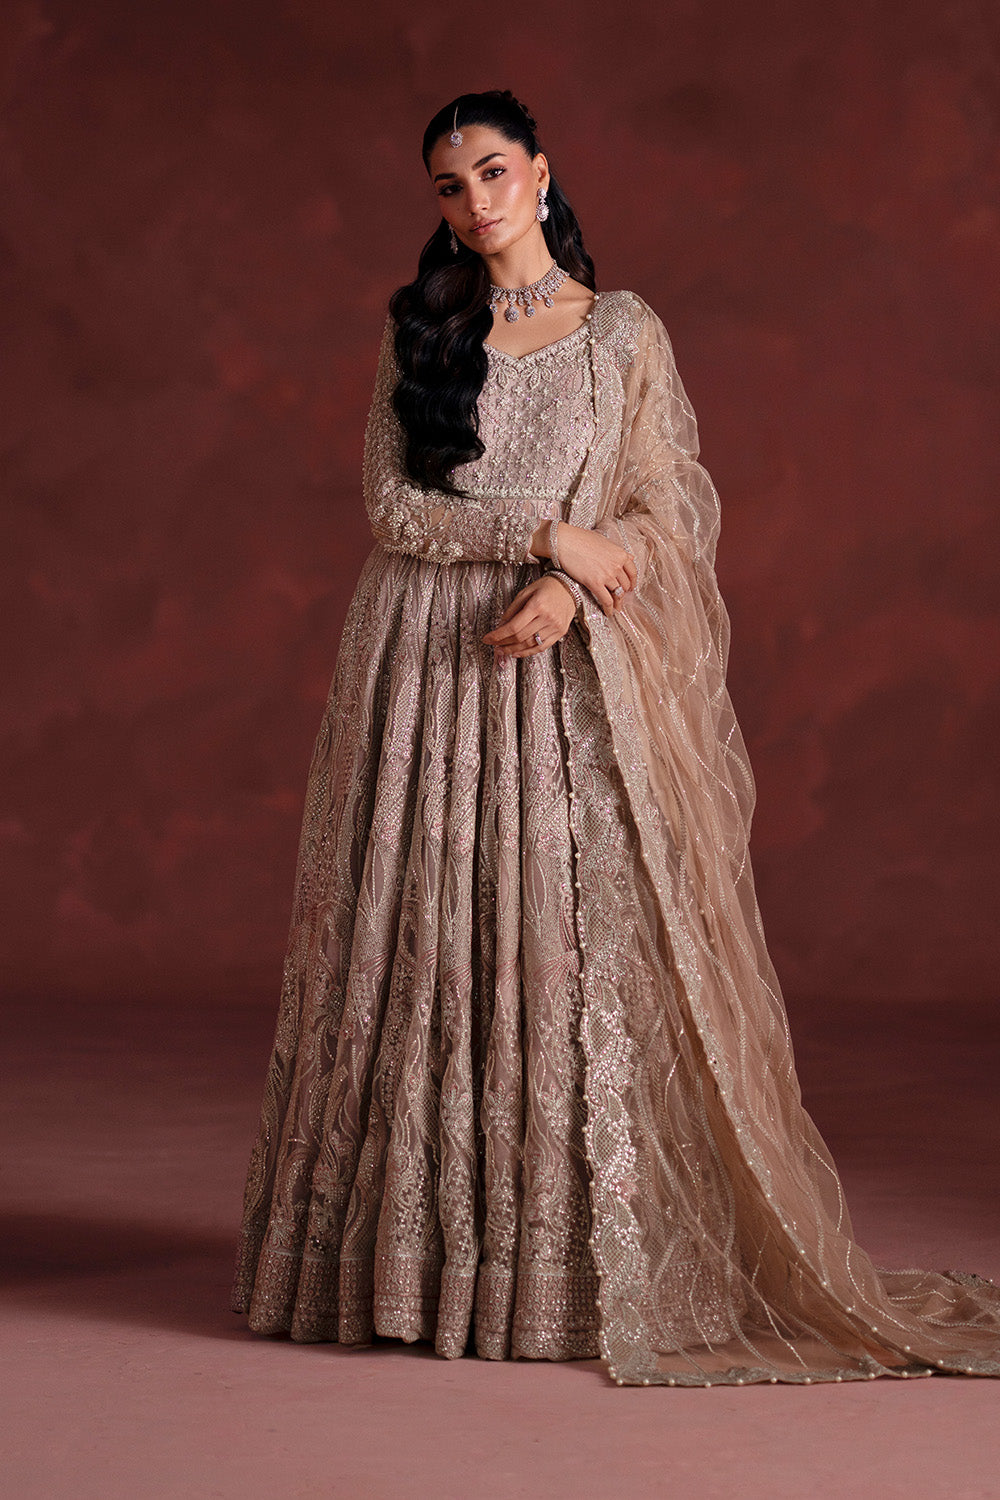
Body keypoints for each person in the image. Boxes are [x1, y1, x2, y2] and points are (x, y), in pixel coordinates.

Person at [230, 89, 1000, 1387]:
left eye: (492, 170)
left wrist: (575, 586)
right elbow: (393, 508)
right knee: (419, 942)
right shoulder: (421, 328)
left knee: (552, 947)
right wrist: (542, 535)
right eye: (449, 185)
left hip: (561, 674)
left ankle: (551, 1280)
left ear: (541, 172)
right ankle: (401, 1271)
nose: (475, 201)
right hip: (420, 667)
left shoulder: (622, 330)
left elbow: (667, 507)